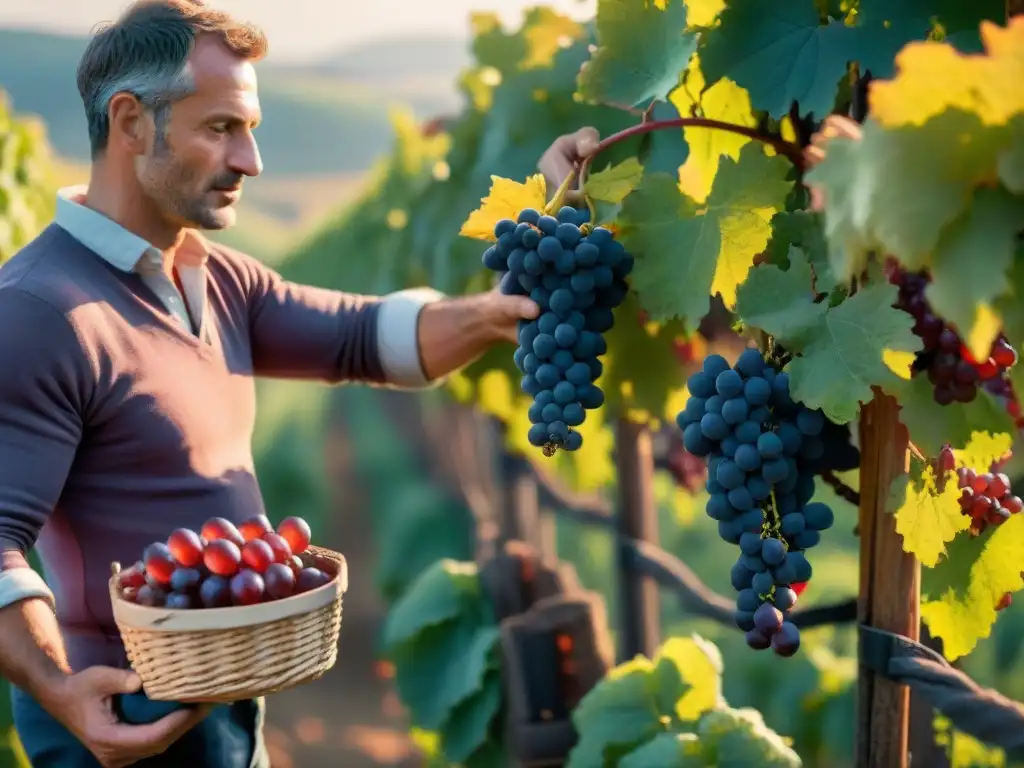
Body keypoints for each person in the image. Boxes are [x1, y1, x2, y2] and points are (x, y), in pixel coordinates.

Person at [0, 1, 599, 766]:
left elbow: (366, 338)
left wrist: (511, 289)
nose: (250, 161)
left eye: (251, 129)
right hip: (114, 717)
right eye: (221, 128)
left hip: (228, 702)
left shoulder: (213, 279)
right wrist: (58, 689)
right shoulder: (42, 310)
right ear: (129, 123)